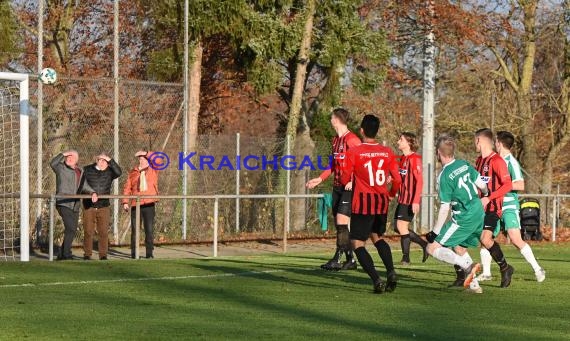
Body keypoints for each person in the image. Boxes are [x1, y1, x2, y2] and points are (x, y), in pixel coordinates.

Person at [341, 114, 401, 293]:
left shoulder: (354, 152)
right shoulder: (387, 152)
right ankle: (391, 272)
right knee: (377, 237)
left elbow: (345, 177)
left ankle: (376, 279)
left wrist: (349, 180)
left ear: (361, 131)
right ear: (377, 131)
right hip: (381, 202)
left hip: (363, 203)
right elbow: (397, 180)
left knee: (357, 243)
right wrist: (390, 193)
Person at [476, 131, 545, 282]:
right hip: (494, 204)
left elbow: (520, 184)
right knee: (486, 238)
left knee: (515, 238)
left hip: (507, 204)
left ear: (499, 143)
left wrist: (501, 186)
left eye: (495, 142)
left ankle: (537, 268)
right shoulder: (492, 160)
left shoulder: (510, 161)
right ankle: (487, 272)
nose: (493, 144)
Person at [425, 134, 487, 293]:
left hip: (463, 217)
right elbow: (481, 184)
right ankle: (474, 286)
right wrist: (486, 195)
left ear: (438, 152)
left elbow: (445, 208)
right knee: (459, 247)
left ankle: (467, 266)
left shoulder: (444, 176)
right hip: (478, 211)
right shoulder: (464, 164)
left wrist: (435, 232)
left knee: (431, 248)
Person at [306, 108, 361, 271]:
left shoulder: (352, 140)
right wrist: (320, 178)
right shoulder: (336, 140)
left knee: (341, 222)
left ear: (337, 119)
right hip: (337, 186)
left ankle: (337, 258)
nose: (330, 120)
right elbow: (332, 164)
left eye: (332, 117)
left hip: (349, 188)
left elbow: (361, 163)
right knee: (341, 226)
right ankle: (350, 259)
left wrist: (353, 180)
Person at [474, 128, 515, 288]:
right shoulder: (479, 161)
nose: (474, 144)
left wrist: (488, 198)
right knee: (476, 239)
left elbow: (508, 185)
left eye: (475, 140)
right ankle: (505, 268)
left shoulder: (497, 161)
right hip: (479, 209)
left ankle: (505, 268)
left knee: (485, 239)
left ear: (479, 140)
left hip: (493, 208)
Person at [50, 150, 98, 260]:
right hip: (63, 203)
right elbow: (52, 163)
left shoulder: (80, 171)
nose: (68, 158)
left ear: (76, 160)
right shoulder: (61, 168)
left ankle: (62, 253)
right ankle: (66, 254)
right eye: (67, 157)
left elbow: (84, 186)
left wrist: (92, 192)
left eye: (71, 157)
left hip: (75, 204)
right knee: (70, 228)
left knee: (72, 229)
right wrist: (63, 154)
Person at [395, 132, 428, 265]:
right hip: (402, 198)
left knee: (401, 226)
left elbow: (419, 181)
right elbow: (401, 176)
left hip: (409, 199)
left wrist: (415, 201)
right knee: (398, 228)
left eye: (401, 139)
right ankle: (424, 244)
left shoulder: (414, 159)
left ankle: (406, 258)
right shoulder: (403, 158)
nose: (398, 141)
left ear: (409, 143)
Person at [82, 153, 122, 260]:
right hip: (89, 205)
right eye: (100, 160)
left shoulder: (110, 171)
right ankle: (87, 254)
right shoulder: (87, 170)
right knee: (88, 231)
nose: (102, 162)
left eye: (105, 161)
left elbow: (119, 172)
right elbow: (82, 185)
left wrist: (110, 159)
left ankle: (103, 254)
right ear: (96, 160)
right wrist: (91, 193)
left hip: (103, 205)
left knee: (103, 231)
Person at [122, 150, 159, 259]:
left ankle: (149, 253)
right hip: (135, 204)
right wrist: (125, 201)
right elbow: (127, 188)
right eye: (140, 159)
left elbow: (158, 159)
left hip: (149, 203)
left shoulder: (153, 170)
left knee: (149, 230)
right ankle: (134, 253)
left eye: (144, 159)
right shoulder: (133, 172)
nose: (141, 161)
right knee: (135, 230)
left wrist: (146, 152)